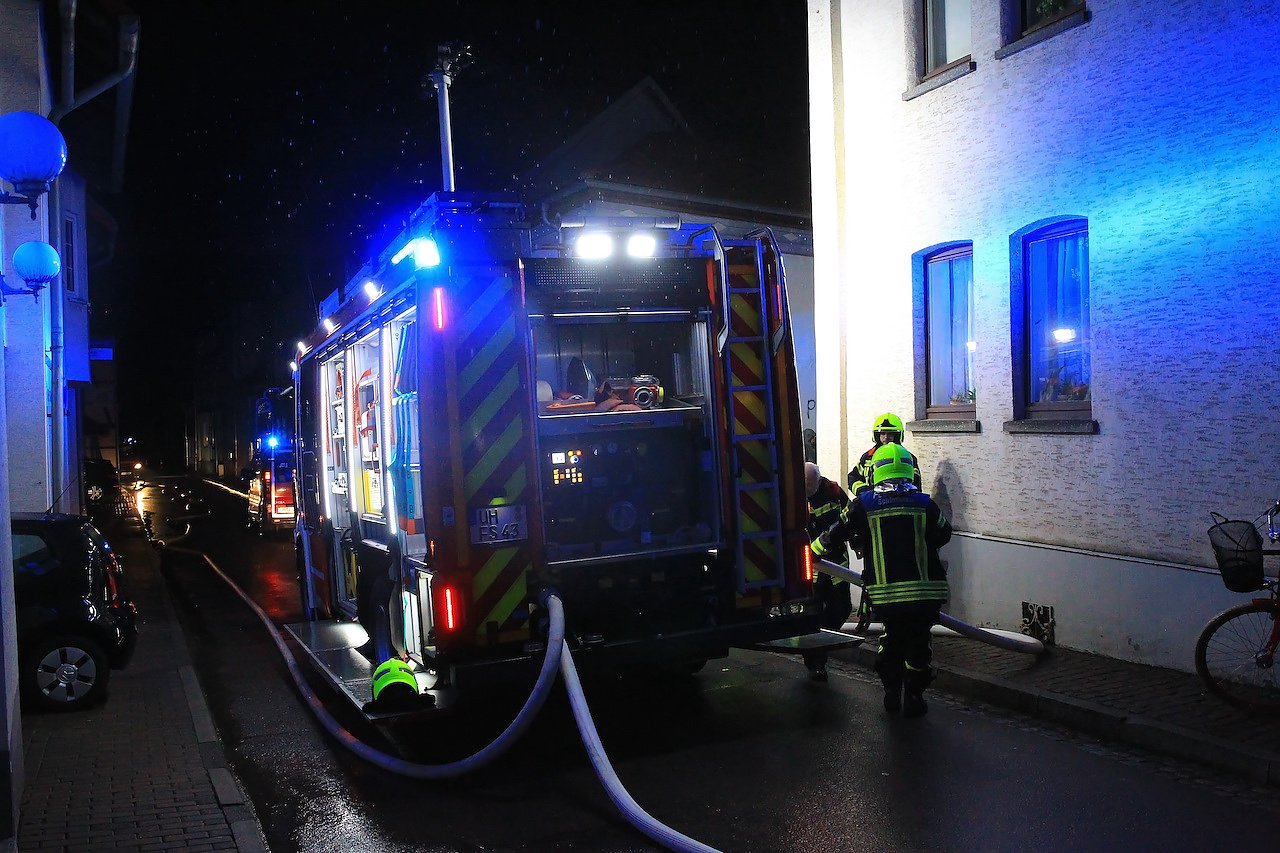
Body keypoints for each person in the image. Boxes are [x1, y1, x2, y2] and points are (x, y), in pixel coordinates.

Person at [814, 443, 952, 717]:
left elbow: (836, 533)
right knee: (918, 644)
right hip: (924, 595)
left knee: (891, 639)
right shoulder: (925, 504)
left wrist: (811, 551)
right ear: (909, 471)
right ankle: (914, 697)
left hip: (887, 596)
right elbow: (943, 534)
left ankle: (891, 692)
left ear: (876, 471)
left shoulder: (864, 504)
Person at [845, 412, 922, 632]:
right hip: (871, 517)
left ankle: (893, 612)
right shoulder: (868, 457)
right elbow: (853, 477)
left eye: (890, 434)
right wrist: (865, 493)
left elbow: (915, 486)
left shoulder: (906, 458)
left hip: (896, 520)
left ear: (899, 436)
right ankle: (874, 611)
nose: (886, 438)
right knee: (872, 566)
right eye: (882, 434)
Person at [801, 462, 854, 681]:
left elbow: (850, 518)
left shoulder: (833, 491)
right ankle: (816, 661)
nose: (808, 490)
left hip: (836, 563)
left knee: (842, 608)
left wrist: (857, 542)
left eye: (810, 486)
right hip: (811, 568)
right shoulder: (795, 497)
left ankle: (823, 638)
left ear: (818, 480)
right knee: (811, 614)